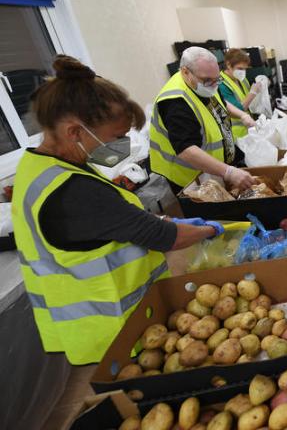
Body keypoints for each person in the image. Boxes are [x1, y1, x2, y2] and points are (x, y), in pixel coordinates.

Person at [12, 56, 226, 365]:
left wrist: (157, 218)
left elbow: (104, 226)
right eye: (117, 137)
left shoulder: (39, 167)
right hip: (116, 327)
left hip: (91, 324)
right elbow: (165, 237)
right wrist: (209, 229)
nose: (124, 144)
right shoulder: (74, 190)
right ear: (75, 132)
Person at [150, 47, 256, 194]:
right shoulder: (175, 101)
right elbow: (186, 150)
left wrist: (242, 115)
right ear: (186, 72)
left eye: (216, 79)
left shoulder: (207, 81)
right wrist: (228, 172)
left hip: (214, 169)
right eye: (207, 80)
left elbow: (221, 103)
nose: (213, 85)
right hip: (191, 177)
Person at [218, 48, 263, 139]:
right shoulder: (221, 84)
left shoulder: (241, 79)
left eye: (245, 69)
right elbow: (237, 109)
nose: (242, 72)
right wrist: (253, 93)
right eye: (240, 68)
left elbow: (248, 101)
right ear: (228, 65)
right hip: (235, 135)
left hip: (248, 129)